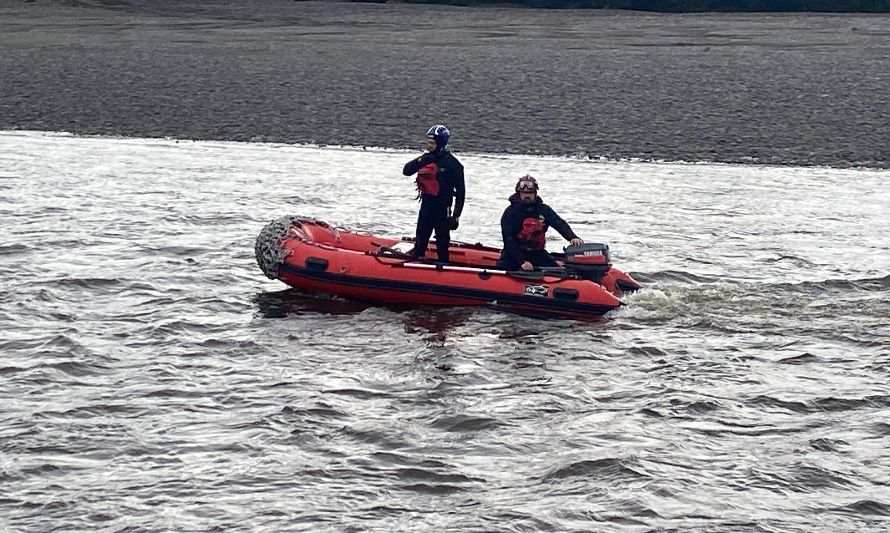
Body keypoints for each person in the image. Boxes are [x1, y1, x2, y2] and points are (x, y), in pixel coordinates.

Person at [402, 124, 465, 263]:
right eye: (428, 142)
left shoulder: (453, 164)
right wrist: (420, 161)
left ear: (441, 143)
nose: (429, 146)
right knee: (420, 243)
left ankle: (444, 271)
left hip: (443, 211)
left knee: (442, 246)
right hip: (426, 208)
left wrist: (456, 216)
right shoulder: (425, 159)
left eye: (432, 143)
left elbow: (461, 192)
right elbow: (406, 171)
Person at [497, 174, 583, 271]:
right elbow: (508, 240)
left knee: (558, 271)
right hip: (514, 254)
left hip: (537, 253)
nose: (527, 196)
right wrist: (522, 262)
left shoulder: (543, 210)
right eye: (524, 193)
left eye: (530, 193)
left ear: (535, 193)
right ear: (519, 193)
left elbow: (559, 223)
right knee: (506, 264)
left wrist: (572, 237)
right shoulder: (510, 213)